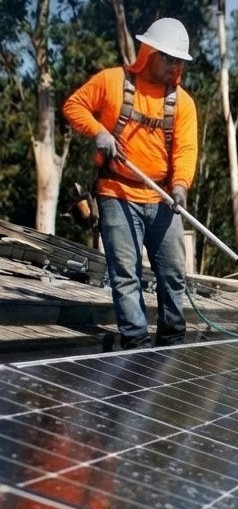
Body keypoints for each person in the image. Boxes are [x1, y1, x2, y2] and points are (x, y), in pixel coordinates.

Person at [63, 18, 198, 349]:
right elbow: (73, 106)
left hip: (163, 198)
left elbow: (186, 149)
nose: (174, 66)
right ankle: (137, 345)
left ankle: (171, 342)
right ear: (148, 52)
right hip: (117, 192)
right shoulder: (112, 82)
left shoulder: (182, 103)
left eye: (179, 60)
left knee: (173, 274)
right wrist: (99, 132)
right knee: (126, 273)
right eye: (168, 57)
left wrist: (180, 186)